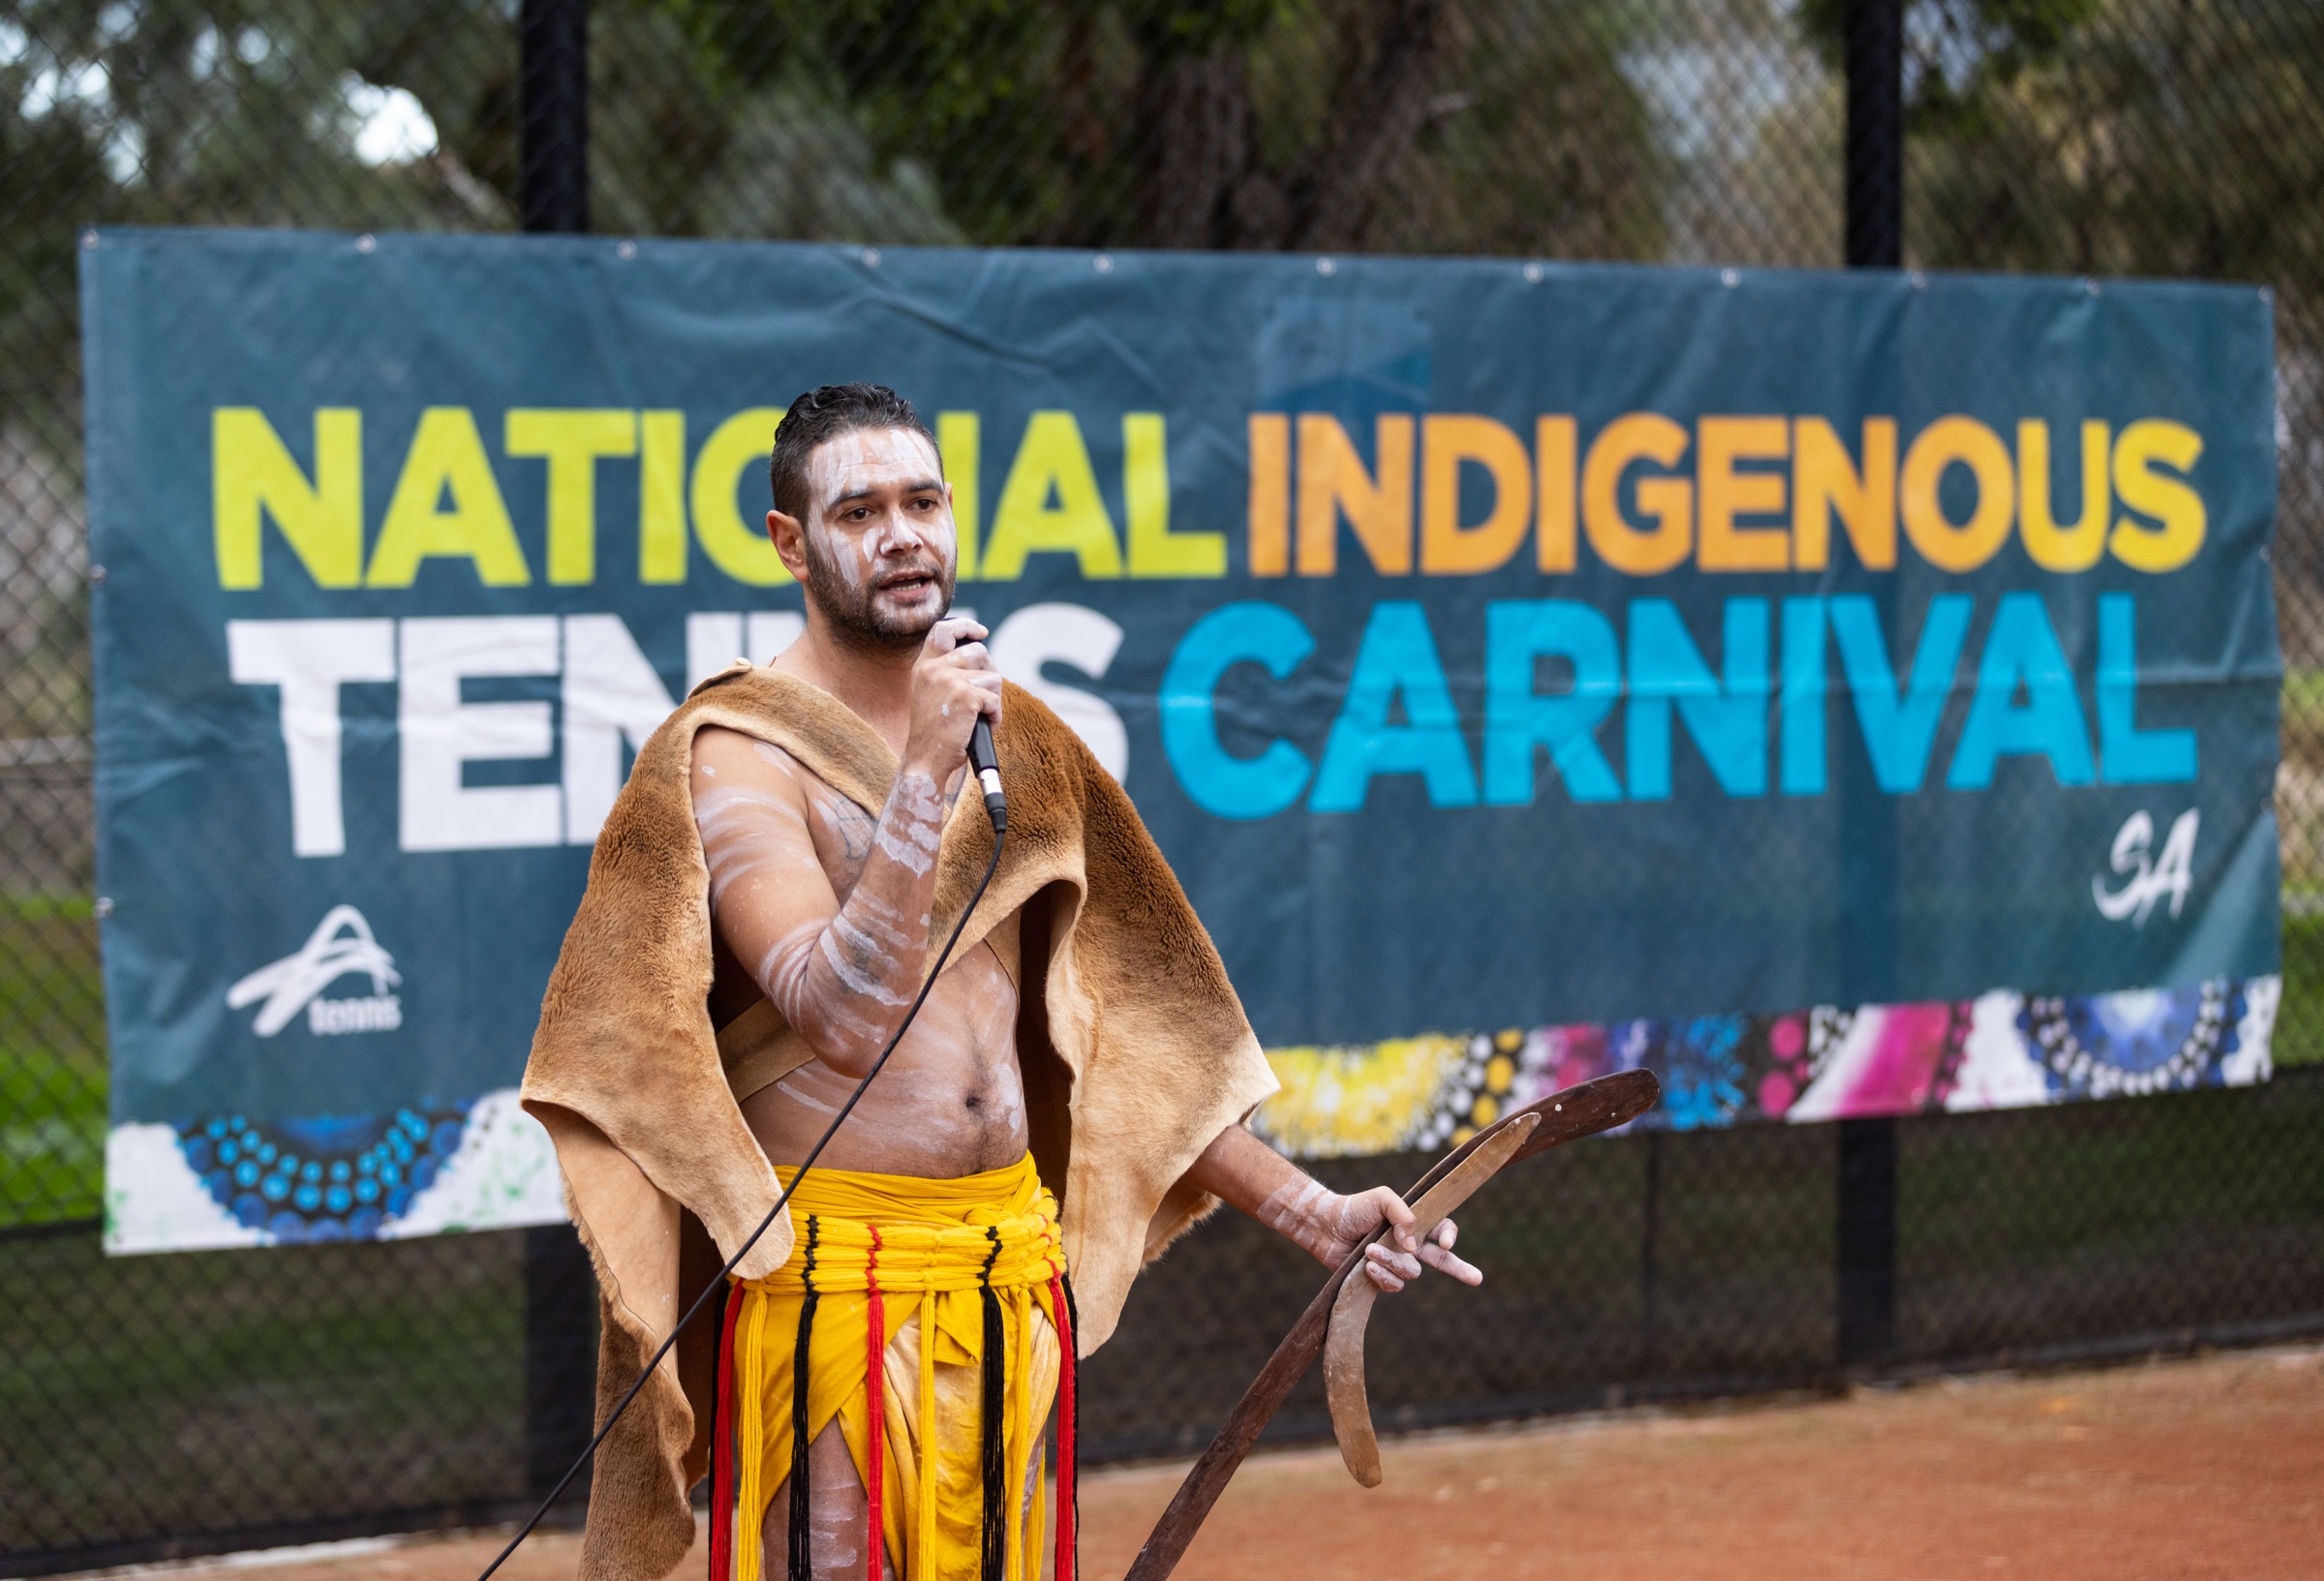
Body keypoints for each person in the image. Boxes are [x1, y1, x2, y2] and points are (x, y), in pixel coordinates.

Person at [522, 383, 1479, 1581]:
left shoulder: (1011, 737)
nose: (904, 533)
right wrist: (922, 769)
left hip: (1011, 1284)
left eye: (922, 500)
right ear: (789, 544)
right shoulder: (737, 755)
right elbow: (841, 1014)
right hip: (840, 1300)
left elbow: (1126, 1050)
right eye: (859, 510)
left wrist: (1314, 1212)